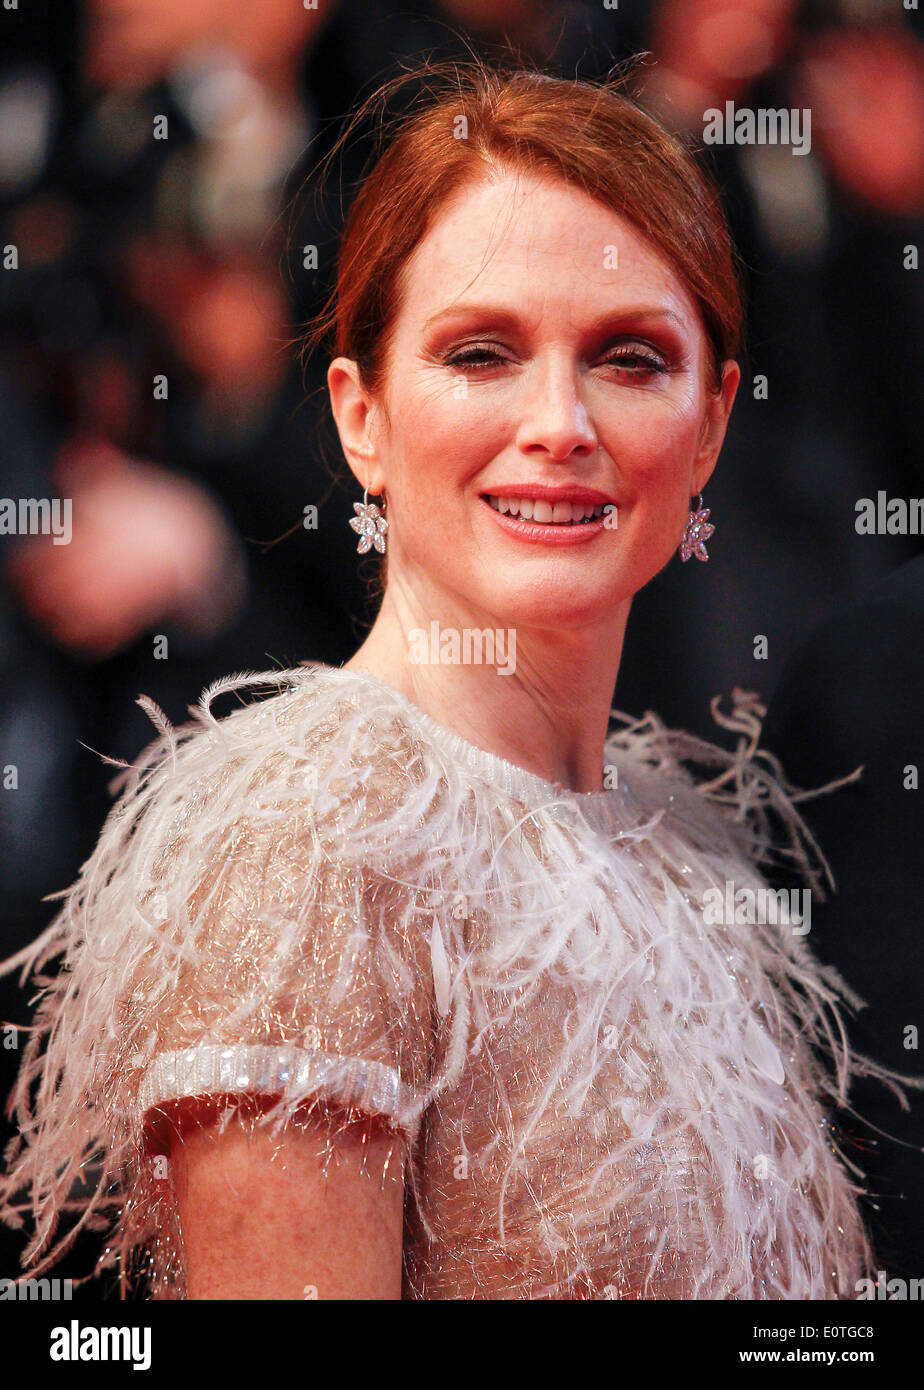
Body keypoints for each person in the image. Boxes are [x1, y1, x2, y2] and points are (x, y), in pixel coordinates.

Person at [0, 60, 909, 1301]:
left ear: (711, 427)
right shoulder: (308, 837)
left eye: (630, 358)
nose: (558, 421)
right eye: (481, 351)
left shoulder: (699, 853)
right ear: (360, 415)